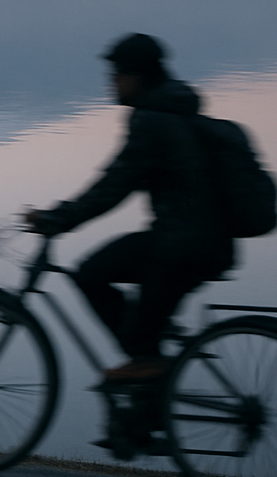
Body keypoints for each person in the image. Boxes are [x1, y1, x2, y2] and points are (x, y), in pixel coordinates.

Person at [26, 33, 235, 383]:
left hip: (181, 246)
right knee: (140, 316)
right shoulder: (174, 110)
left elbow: (113, 187)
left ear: (135, 77)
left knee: (91, 273)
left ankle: (146, 361)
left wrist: (57, 218)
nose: (111, 82)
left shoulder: (152, 121)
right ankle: (146, 406)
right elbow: (118, 184)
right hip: (206, 242)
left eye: (116, 74)